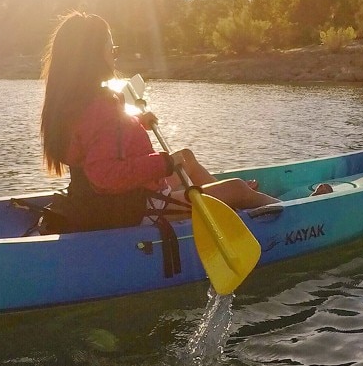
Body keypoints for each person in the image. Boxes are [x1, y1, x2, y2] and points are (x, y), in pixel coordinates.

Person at [40, 12, 281, 231]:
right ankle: (286, 208)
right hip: (133, 208)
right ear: (93, 55)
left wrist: (135, 121)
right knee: (237, 188)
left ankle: (227, 203)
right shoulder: (100, 107)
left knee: (186, 158)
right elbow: (106, 175)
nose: (114, 56)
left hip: (100, 202)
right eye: (111, 49)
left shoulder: (73, 103)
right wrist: (164, 164)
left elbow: (99, 139)